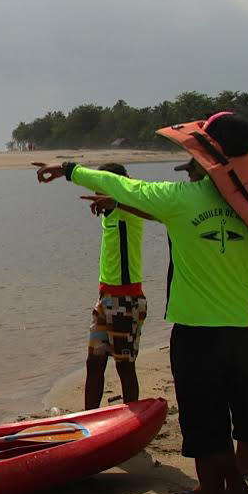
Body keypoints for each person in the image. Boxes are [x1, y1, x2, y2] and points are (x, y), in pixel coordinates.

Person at [35, 112, 248, 494]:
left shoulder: (182, 200)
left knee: (206, 432)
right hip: (243, 333)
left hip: (197, 337)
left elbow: (126, 187)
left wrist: (69, 169)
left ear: (203, 154)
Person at [79, 162, 145, 409]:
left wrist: (116, 201)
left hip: (126, 300)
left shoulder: (131, 211)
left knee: (124, 365)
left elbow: (135, 194)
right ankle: (89, 419)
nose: (97, 192)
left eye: (102, 187)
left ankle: (134, 420)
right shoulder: (109, 214)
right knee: (94, 362)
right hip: (105, 298)